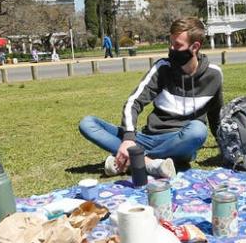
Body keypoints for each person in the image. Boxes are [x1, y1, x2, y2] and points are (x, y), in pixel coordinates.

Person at [79, 16, 223, 176]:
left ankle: (135, 159)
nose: (171, 49)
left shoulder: (214, 75)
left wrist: (224, 146)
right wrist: (128, 139)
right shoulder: (162, 68)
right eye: (170, 43)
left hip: (181, 142)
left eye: (177, 45)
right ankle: (149, 163)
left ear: (195, 47)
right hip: (148, 137)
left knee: (198, 131)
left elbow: (215, 116)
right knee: (88, 124)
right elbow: (133, 103)